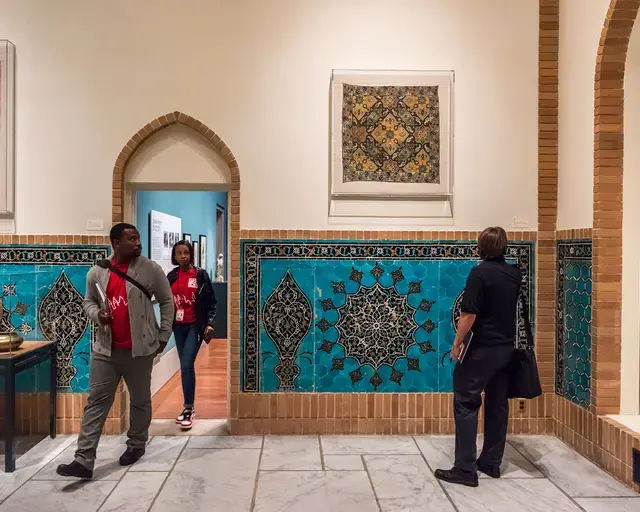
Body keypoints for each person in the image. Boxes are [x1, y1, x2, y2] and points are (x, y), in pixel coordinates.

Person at [56, 223, 175, 479]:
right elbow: (88, 301)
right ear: (115, 243)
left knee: (140, 400)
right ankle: (83, 460)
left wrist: (164, 336)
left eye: (138, 238)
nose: (137, 242)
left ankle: (136, 445)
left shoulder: (150, 269)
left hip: (140, 350)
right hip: (106, 350)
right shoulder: (97, 272)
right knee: (97, 402)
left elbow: (167, 301)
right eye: (131, 239)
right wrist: (98, 315)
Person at [435, 226, 521, 488]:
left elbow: (469, 314)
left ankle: (465, 468)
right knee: (497, 404)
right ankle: (491, 463)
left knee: (465, 401)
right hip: (506, 349)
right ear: (504, 247)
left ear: (480, 247)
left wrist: (457, 343)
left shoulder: (479, 273)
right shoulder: (514, 273)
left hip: (481, 349)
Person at [167, 240, 217, 430]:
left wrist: (210, 324)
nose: (183, 257)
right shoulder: (171, 276)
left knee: (187, 364)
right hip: (177, 327)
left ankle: (189, 408)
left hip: (195, 325)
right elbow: (166, 301)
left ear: (191, 254)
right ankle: (188, 407)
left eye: (186, 253)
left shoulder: (200, 275)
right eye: (179, 253)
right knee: (184, 365)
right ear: (174, 256)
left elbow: (211, 303)